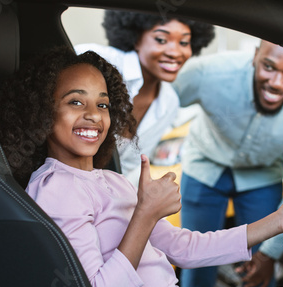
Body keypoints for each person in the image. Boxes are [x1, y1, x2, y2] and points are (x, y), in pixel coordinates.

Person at [0, 46, 283, 287]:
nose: (93, 116)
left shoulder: (111, 180)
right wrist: (146, 213)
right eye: (76, 102)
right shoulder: (57, 188)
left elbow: (184, 248)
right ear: (43, 112)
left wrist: (279, 222)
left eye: (102, 105)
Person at [172, 41, 283, 287]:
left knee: (259, 274)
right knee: (196, 265)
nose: (277, 83)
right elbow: (159, 100)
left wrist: (271, 254)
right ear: (255, 56)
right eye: (269, 67)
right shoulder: (210, 73)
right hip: (204, 165)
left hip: (262, 176)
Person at [75, 10, 215, 187]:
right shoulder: (100, 61)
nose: (175, 52)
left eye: (184, 42)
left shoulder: (169, 102)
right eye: (161, 40)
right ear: (136, 39)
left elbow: (127, 167)